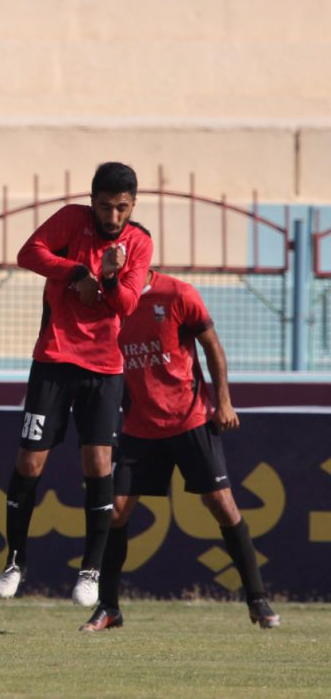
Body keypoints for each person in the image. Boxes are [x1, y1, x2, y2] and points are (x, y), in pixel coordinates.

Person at [0, 162, 153, 606]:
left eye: (122, 208)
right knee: (29, 464)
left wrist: (113, 275)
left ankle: (90, 571)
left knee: (98, 464)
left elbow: (126, 305)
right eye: (105, 207)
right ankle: (15, 562)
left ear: (133, 205)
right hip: (54, 360)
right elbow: (29, 253)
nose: (113, 217)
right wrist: (77, 272)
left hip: (105, 369)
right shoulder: (71, 221)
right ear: (92, 201)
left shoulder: (139, 242)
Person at [80, 270, 280, 631]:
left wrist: (224, 401)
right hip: (139, 427)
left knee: (222, 504)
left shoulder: (177, 294)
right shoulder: (106, 301)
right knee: (115, 512)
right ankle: (109, 608)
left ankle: (258, 600)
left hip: (190, 419)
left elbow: (212, 345)